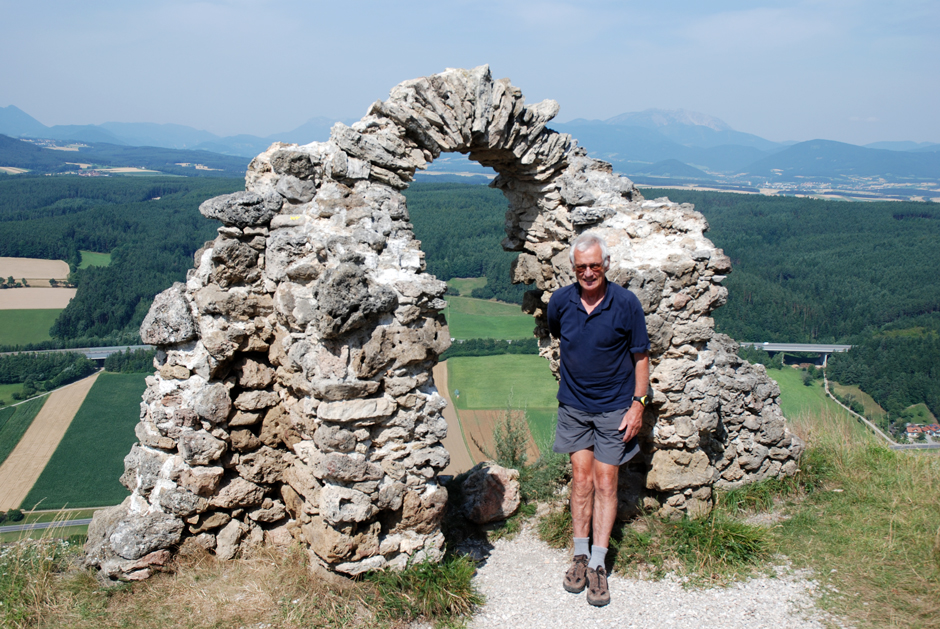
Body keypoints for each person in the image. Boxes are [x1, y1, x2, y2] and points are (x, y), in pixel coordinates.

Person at [546, 232, 650, 607]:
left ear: (605, 265)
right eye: (581, 267)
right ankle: (578, 555)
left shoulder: (625, 304)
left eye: (594, 265)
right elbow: (559, 334)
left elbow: (641, 356)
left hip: (614, 408)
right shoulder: (561, 301)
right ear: (573, 269)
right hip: (574, 405)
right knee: (581, 479)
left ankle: (598, 564)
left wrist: (638, 404)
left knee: (607, 482)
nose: (588, 272)